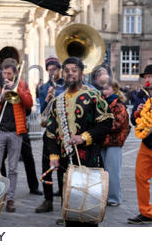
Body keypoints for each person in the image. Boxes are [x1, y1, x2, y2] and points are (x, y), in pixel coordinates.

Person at [45, 57, 113, 226]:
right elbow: (51, 132)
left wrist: (84, 137)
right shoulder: (57, 101)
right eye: (66, 70)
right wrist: (53, 156)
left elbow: (106, 122)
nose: (70, 74)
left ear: (81, 73)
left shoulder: (93, 96)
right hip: (64, 164)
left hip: (89, 160)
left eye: (74, 70)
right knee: (69, 210)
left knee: (88, 212)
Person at [0, 57, 33, 213]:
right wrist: (0, 96)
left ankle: (10, 199)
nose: (6, 77)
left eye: (9, 74)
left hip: (15, 131)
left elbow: (29, 103)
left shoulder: (23, 85)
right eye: (4, 73)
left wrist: (16, 89)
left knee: (13, 168)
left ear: (15, 73)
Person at [35, 56, 65, 213]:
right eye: (49, 70)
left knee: (62, 168)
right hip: (49, 133)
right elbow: (42, 116)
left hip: (64, 134)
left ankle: (64, 199)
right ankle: (48, 200)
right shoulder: (44, 88)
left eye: (55, 69)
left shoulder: (67, 86)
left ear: (60, 70)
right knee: (46, 168)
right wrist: (47, 100)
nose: (52, 72)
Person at [127, 64, 152, 224]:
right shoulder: (141, 96)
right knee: (140, 176)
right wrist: (138, 112)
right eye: (146, 77)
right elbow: (133, 120)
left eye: (150, 77)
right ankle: (146, 212)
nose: (147, 80)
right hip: (147, 143)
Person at [101, 80, 130, 207]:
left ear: (114, 89)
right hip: (103, 141)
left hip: (114, 142)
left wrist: (100, 127)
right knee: (104, 171)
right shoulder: (102, 103)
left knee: (113, 171)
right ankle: (104, 196)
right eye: (103, 89)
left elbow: (117, 124)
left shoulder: (119, 105)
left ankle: (114, 198)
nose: (104, 91)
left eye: (107, 89)